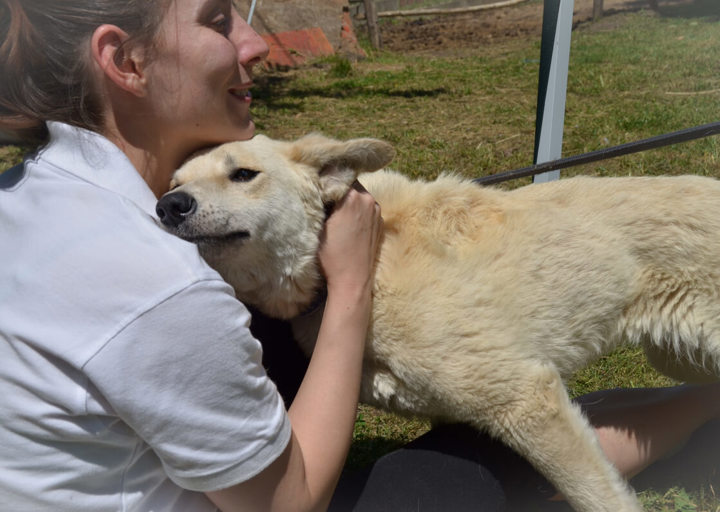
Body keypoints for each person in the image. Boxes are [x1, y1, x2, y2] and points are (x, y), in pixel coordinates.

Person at [0, 1, 717, 511]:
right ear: (125, 61)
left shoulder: (36, 203)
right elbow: (285, 502)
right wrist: (348, 289)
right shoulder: (159, 286)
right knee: (447, 475)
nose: (254, 42)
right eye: (218, 19)